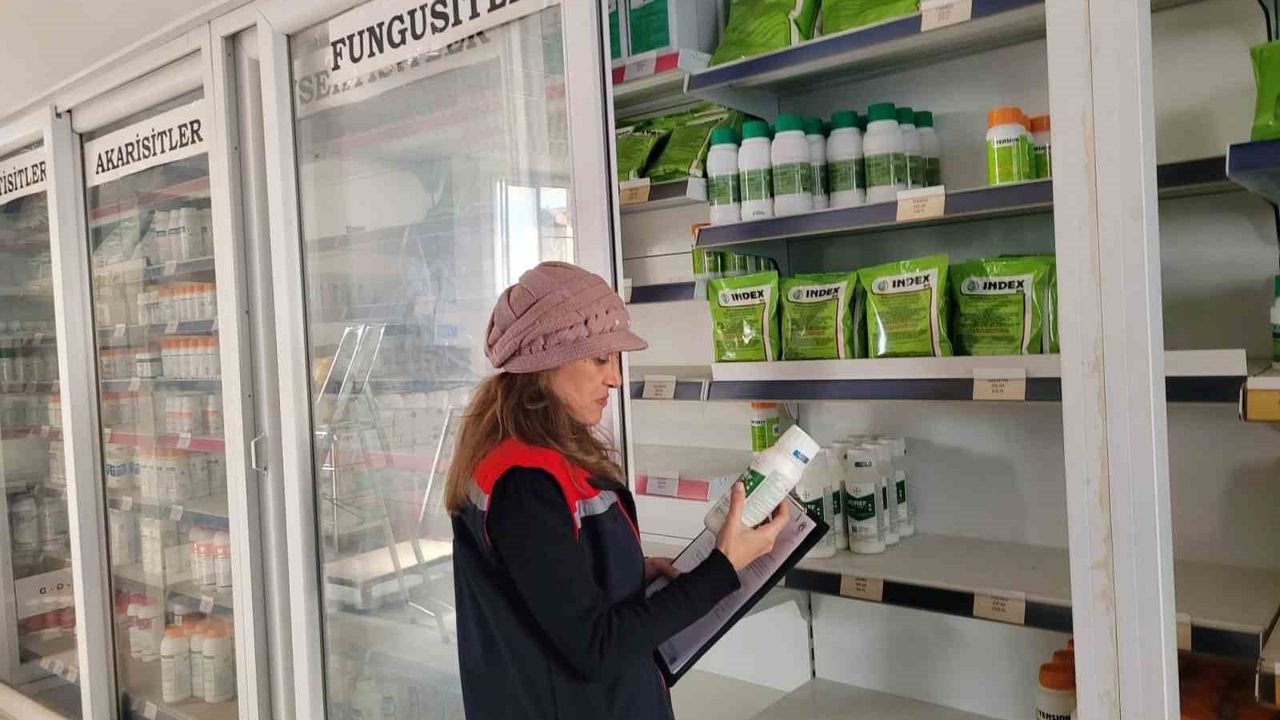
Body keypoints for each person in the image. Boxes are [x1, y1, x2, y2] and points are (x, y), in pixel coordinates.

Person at [447, 261, 789, 720]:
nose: (616, 378)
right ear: (547, 363)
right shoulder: (525, 483)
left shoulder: (536, 458)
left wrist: (626, 573)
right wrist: (722, 567)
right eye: (600, 359)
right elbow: (597, 648)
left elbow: (539, 587)